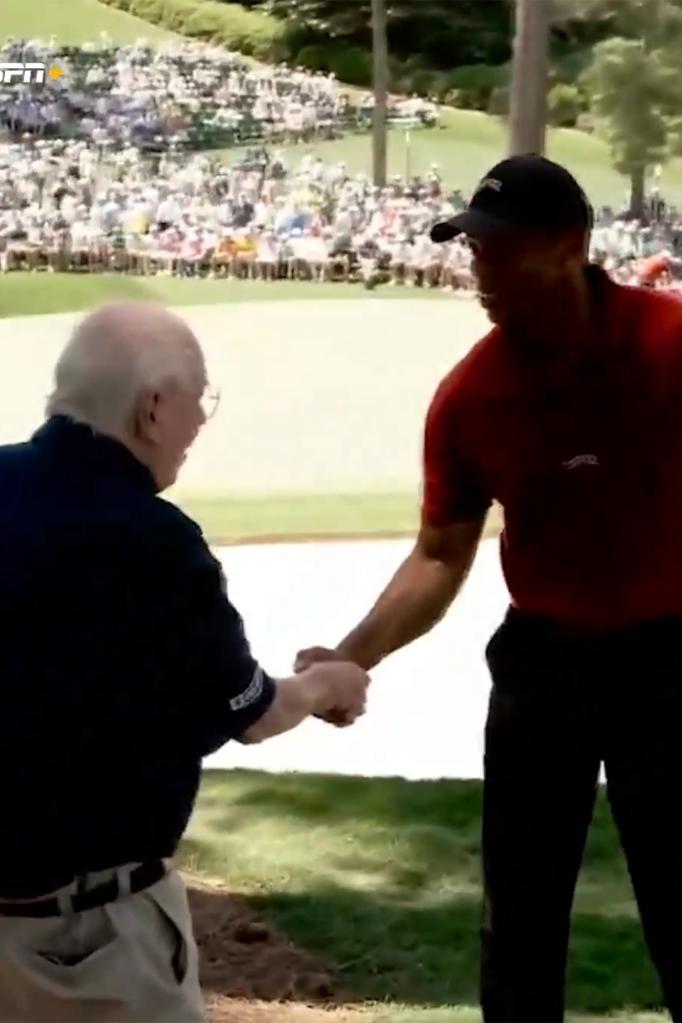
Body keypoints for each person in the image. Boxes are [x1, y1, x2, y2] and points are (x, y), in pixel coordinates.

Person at [295, 155, 682, 1022]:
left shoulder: (669, 344)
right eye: (474, 252)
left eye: (503, 253)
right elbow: (439, 556)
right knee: (519, 924)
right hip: (545, 670)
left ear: (572, 246)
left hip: (670, 660)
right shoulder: (472, 397)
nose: (481, 274)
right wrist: (350, 657)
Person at [0, 301, 369, 1023]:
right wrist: (330, 681)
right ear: (153, 409)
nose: (200, 422)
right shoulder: (155, 544)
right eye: (199, 400)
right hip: (88, 942)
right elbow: (250, 711)